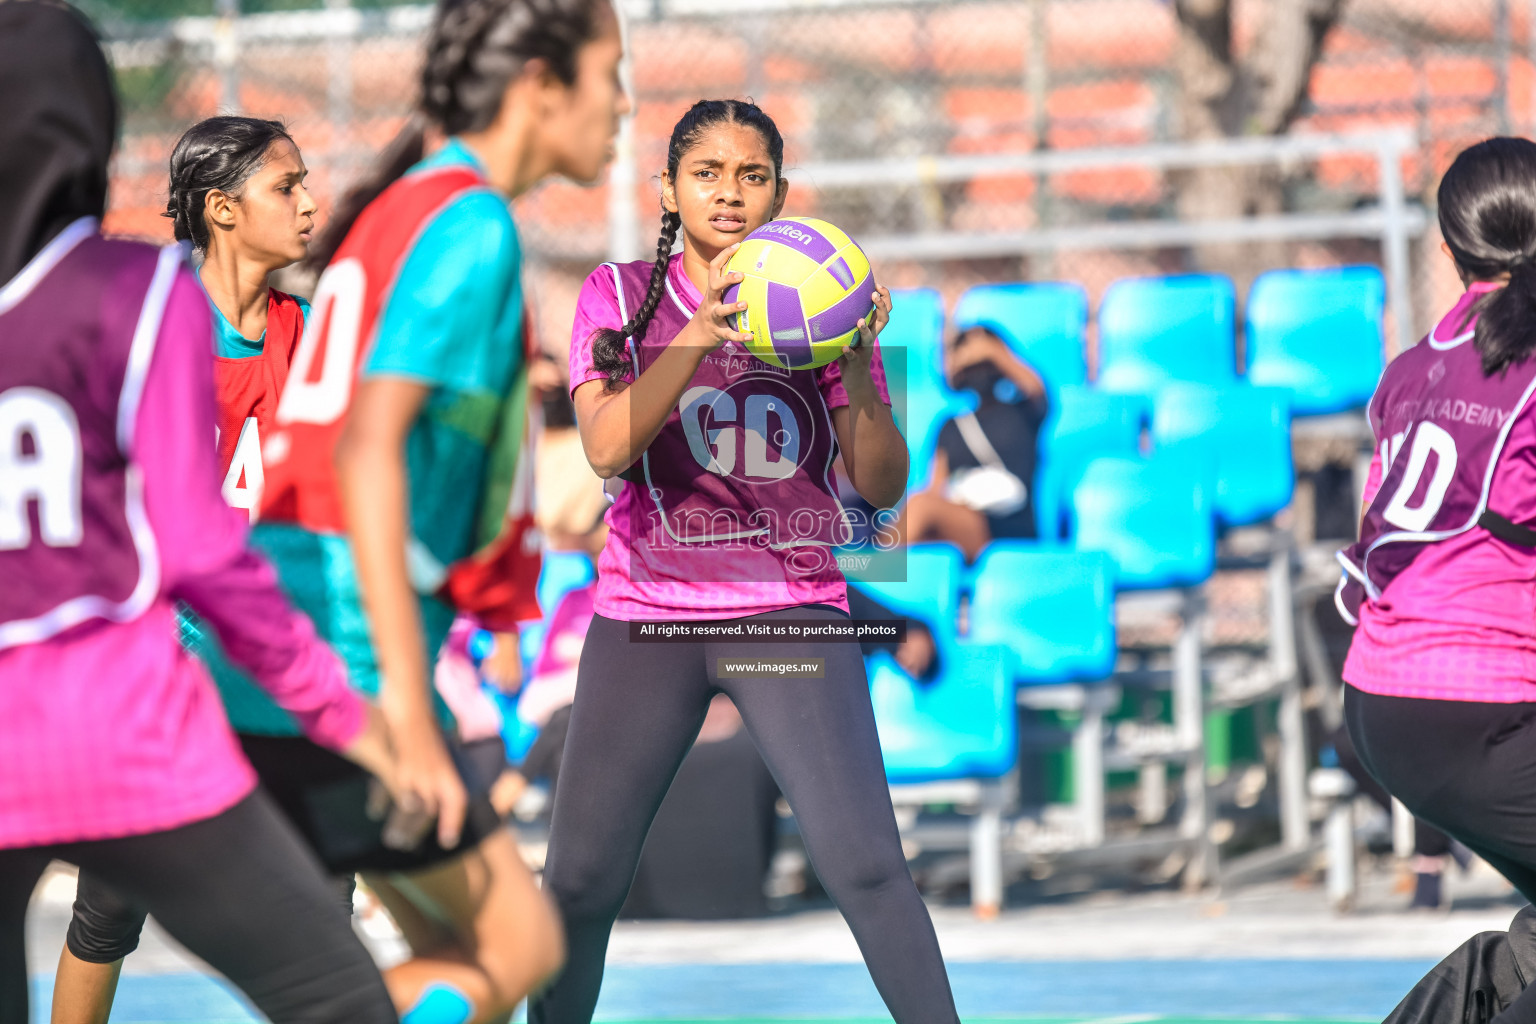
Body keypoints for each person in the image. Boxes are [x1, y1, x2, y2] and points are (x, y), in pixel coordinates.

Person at [0, 6, 403, 1023]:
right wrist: (337, 699)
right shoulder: (137, 297)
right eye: (286, 184)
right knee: (129, 916)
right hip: (147, 683)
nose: (310, 202)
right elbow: (197, 542)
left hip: (222, 656)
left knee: (325, 885)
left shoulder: (304, 334)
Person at [530, 98, 960, 1024]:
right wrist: (699, 335)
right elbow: (605, 450)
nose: (730, 192)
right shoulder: (617, 294)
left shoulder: (828, 300)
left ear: (780, 191)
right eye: (708, 173)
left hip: (786, 616)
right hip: (646, 620)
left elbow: (881, 488)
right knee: (577, 883)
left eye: (753, 174)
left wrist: (858, 351)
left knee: (869, 868)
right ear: (670, 189)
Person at [1338, 136, 1536, 1024]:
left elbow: (1375, 542)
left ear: (1452, 251)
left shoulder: (1409, 370)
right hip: (1480, 706)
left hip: (1383, 699)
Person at [895, 324, 1047, 560]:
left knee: (921, 507)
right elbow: (936, 488)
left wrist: (991, 349)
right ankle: (874, 573)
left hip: (1006, 529)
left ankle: (872, 575)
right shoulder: (950, 426)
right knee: (921, 514)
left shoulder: (1023, 411)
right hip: (960, 522)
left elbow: (1037, 387)